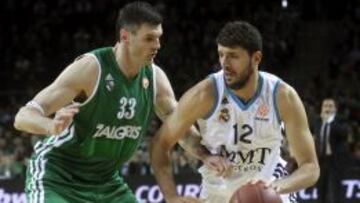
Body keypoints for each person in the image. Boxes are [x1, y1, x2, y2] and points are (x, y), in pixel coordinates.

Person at [13, 2, 201, 203]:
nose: (157, 45)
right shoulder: (91, 69)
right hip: (58, 178)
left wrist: (210, 155)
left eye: (158, 38)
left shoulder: (156, 78)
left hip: (106, 182)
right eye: (149, 38)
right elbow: (23, 116)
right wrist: (50, 125)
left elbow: (182, 130)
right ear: (125, 37)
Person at [150, 21, 320, 203]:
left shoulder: (282, 96)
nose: (225, 64)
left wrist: (278, 187)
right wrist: (171, 197)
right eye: (221, 55)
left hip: (269, 187)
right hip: (218, 193)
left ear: (256, 58)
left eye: (233, 56)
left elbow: (310, 167)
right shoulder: (203, 95)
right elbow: (161, 143)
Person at [312, 98, 349, 203]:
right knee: (320, 189)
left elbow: (344, 133)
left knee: (335, 189)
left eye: (330, 106)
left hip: (335, 161)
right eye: (325, 106)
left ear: (335, 109)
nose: (327, 108)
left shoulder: (340, 120)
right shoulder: (317, 121)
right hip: (321, 160)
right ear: (321, 108)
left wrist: (330, 121)